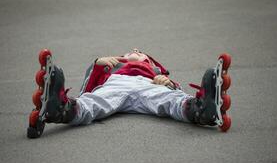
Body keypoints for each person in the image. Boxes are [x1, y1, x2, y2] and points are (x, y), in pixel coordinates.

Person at [32, 48, 231, 137]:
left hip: (150, 86)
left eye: (140, 52)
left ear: (150, 62)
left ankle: (200, 109)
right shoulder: (112, 68)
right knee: (93, 103)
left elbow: (175, 88)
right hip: (116, 86)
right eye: (128, 52)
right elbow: (87, 90)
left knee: (171, 99)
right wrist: (96, 63)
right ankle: (61, 108)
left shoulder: (155, 71)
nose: (134, 50)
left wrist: (168, 83)